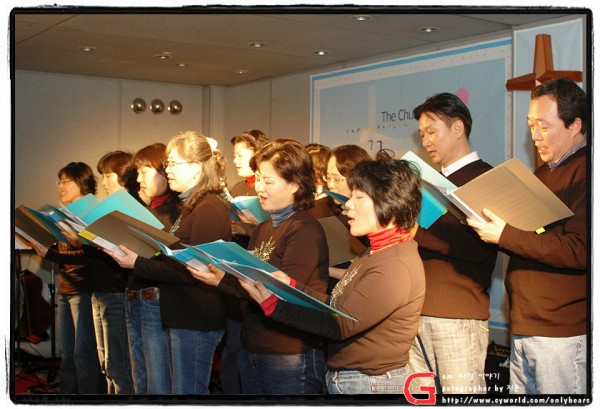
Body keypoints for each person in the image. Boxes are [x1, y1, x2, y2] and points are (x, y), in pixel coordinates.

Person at [238, 152, 426, 394]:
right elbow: (335, 306)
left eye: (359, 197)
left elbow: (339, 325)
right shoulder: (376, 252)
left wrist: (275, 305)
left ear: (390, 204)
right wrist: (292, 285)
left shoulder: (394, 265)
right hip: (356, 380)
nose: (348, 204)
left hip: (370, 384)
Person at [467, 77, 588, 395]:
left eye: (543, 126)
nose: (534, 136)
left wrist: (506, 234)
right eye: (530, 125)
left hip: (560, 333)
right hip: (524, 324)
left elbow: (580, 250)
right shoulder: (543, 172)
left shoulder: (586, 171)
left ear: (575, 125)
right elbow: (535, 239)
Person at [189, 139, 329, 394]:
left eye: (269, 181)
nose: (260, 188)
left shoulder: (304, 229)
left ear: (295, 184)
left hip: (288, 352)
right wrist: (220, 278)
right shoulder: (264, 227)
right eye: (258, 179)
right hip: (253, 346)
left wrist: (225, 280)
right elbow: (251, 283)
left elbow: (282, 292)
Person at [105, 131, 231, 394]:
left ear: (196, 168)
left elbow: (192, 270)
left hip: (196, 317)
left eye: (173, 164)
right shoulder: (191, 206)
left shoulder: (209, 207)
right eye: (167, 164)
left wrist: (137, 263)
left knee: (186, 393)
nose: (168, 170)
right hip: (181, 313)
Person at [407, 92, 498, 395]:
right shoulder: (426, 183)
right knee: (419, 399)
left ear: (457, 128)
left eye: (432, 132)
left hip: (458, 315)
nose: (426, 141)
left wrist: (414, 232)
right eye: (422, 135)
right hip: (417, 310)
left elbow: (478, 247)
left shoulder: (487, 177)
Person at [29, 162, 105, 394]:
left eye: (66, 181)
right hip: (66, 287)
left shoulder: (91, 214)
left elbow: (90, 256)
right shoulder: (64, 213)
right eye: (59, 181)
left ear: (82, 183)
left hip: (84, 288)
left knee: (84, 354)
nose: (61, 186)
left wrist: (51, 254)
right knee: (67, 353)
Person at [124, 143, 180, 394]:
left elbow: (171, 262)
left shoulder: (176, 212)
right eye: (137, 173)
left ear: (164, 172)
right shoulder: (148, 209)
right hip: (134, 294)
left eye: (144, 172)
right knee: (140, 377)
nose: (139, 180)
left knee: (157, 381)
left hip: (155, 299)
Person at [219, 131, 270, 394]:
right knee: (232, 349)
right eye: (234, 155)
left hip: (258, 274)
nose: (235, 160)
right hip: (236, 272)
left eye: (241, 154)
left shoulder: (269, 193)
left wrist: (248, 229)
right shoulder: (238, 188)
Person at [323, 144, 371, 280]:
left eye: (337, 179)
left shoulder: (373, 218)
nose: (331, 184)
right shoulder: (324, 208)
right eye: (328, 177)